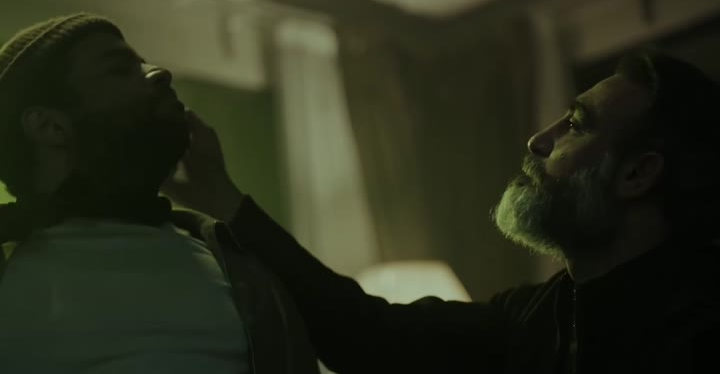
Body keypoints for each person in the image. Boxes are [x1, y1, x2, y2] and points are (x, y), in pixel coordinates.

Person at [166, 51, 720, 373]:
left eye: (575, 125)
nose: (537, 140)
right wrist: (222, 200)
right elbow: (365, 334)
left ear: (637, 174)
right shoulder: (531, 318)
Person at [0, 13, 320, 374]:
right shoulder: (10, 269)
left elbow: (361, 338)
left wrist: (223, 197)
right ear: (50, 126)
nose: (160, 73)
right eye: (119, 69)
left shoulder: (236, 259)